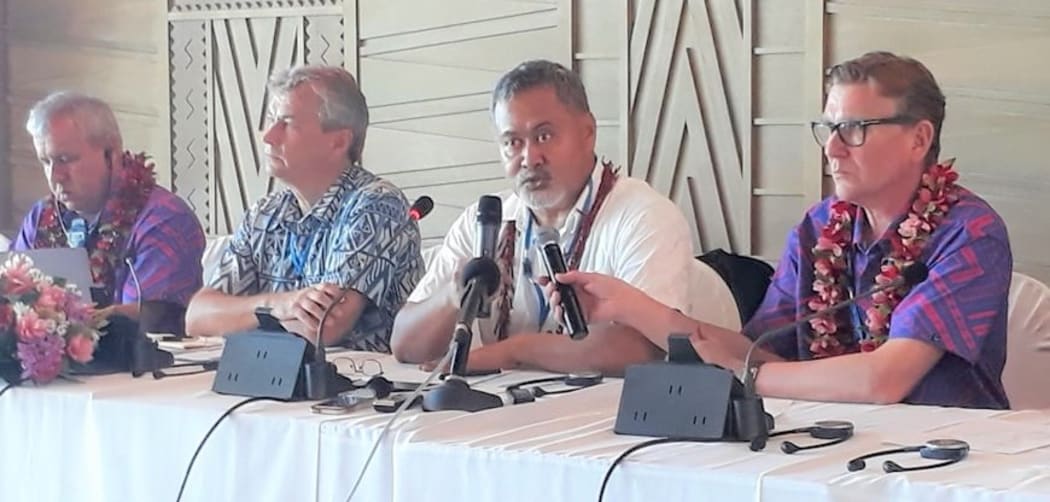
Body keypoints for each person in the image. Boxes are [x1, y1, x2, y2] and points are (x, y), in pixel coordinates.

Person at [550, 52, 1012, 409]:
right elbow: (757, 351)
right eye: (828, 128)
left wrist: (742, 377)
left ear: (919, 139)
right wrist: (628, 307)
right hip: (831, 443)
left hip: (946, 461)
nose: (832, 149)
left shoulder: (970, 233)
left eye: (853, 129)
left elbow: (884, 379)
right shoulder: (818, 229)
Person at [391, 60, 701, 375]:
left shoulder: (643, 214)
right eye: (513, 142)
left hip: (600, 416)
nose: (529, 158)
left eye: (544, 136)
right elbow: (404, 345)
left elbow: (642, 348)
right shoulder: (484, 220)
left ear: (588, 133)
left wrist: (512, 352)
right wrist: (453, 297)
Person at [185, 65, 423, 352]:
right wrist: (279, 305)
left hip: (361, 387)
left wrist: (239, 317)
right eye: (271, 119)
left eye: (287, 123)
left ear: (338, 142)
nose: (268, 136)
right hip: (271, 380)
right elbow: (197, 316)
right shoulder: (266, 213)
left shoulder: (376, 204)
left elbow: (323, 327)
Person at [12, 92, 205, 334]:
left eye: (65, 159)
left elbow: (143, 319)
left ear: (111, 152)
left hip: (135, 366)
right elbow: (12, 298)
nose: (55, 176)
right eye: (46, 162)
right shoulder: (41, 217)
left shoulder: (163, 219)